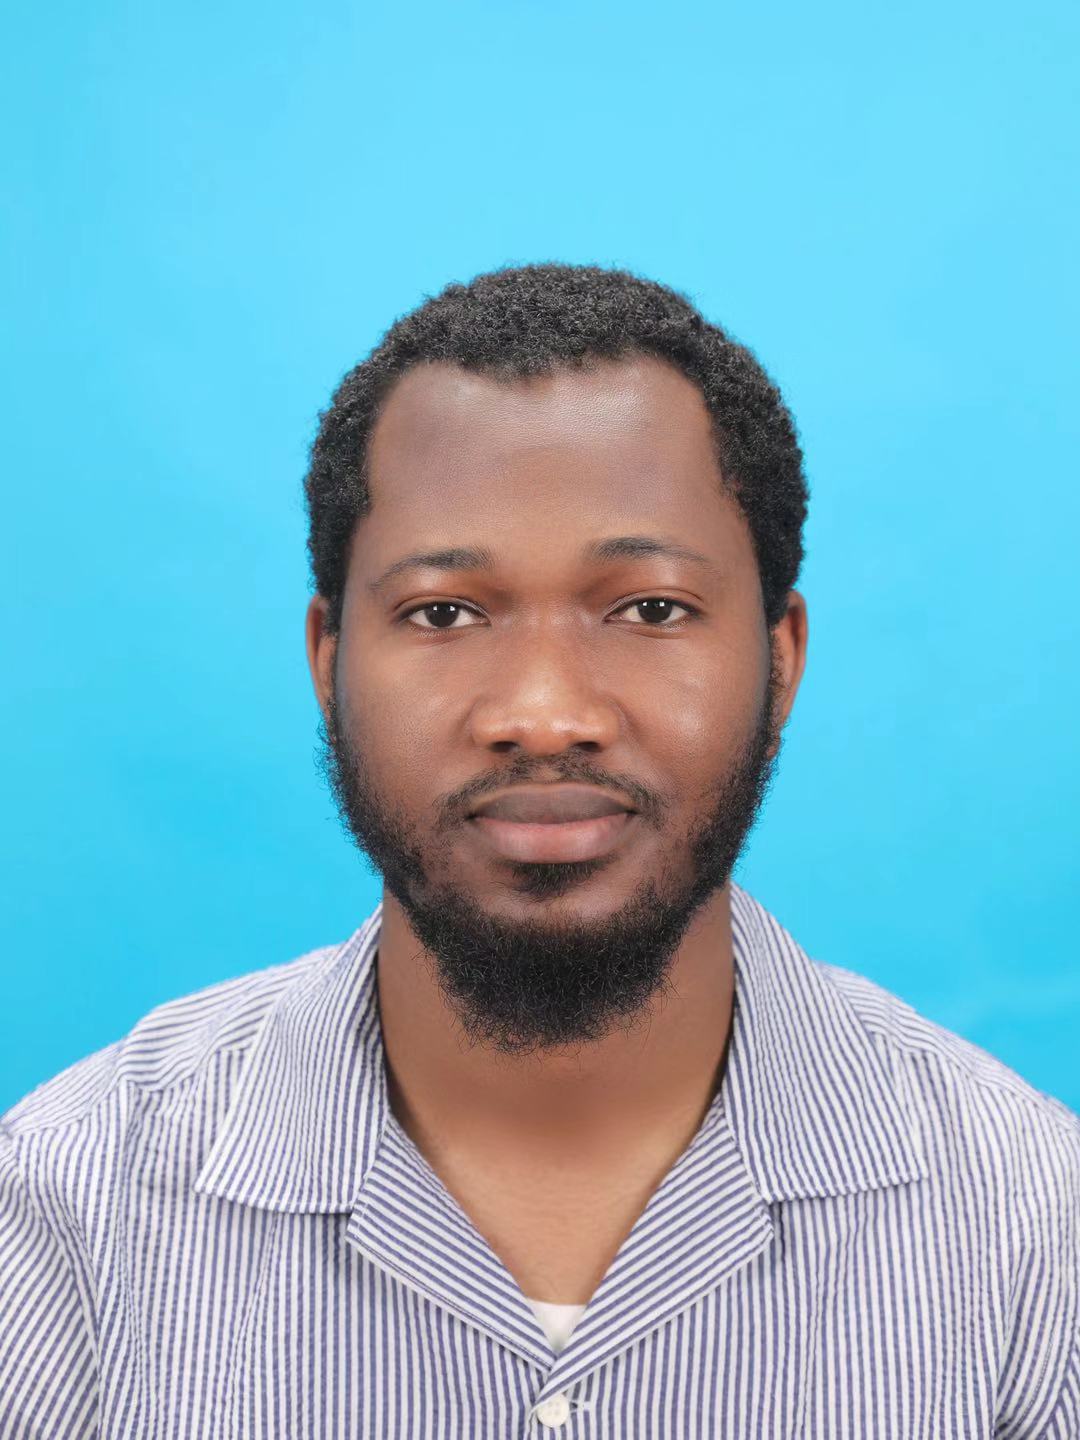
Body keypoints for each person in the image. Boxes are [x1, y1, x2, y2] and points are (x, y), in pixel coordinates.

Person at [1, 263, 1076, 1438]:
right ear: (328, 662)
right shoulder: (64, 1214)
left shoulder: (1032, 1226)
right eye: (444, 613)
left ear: (782, 661)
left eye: (651, 608)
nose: (546, 713)